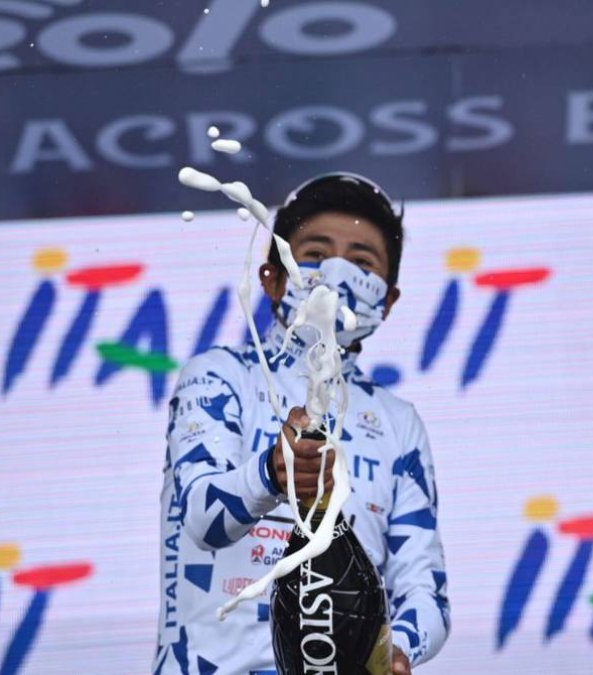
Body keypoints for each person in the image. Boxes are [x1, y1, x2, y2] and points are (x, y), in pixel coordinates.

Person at [154, 173, 449, 675]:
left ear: (387, 299)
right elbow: (202, 518)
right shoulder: (220, 376)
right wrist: (273, 472)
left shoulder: (399, 424)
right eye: (313, 253)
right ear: (272, 276)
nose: (335, 272)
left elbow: (425, 590)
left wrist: (394, 650)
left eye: (361, 262)